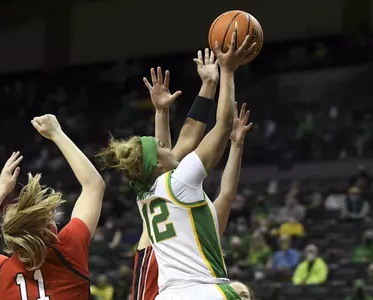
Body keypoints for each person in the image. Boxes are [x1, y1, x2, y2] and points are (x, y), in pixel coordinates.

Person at [99, 32, 256, 300]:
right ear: (158, 163)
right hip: (204, 290)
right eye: (162, 149)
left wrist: (204, 87)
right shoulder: (180, 180)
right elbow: (222, 126)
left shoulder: (144, 193)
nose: (168, 147)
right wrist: (227, 73)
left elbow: (181, 141)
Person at [0, 114, 106, 299]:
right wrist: (56, 133)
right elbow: (94, 185)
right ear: (48, 231)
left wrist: (1, 191)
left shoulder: (0, 273)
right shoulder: (68, 250)